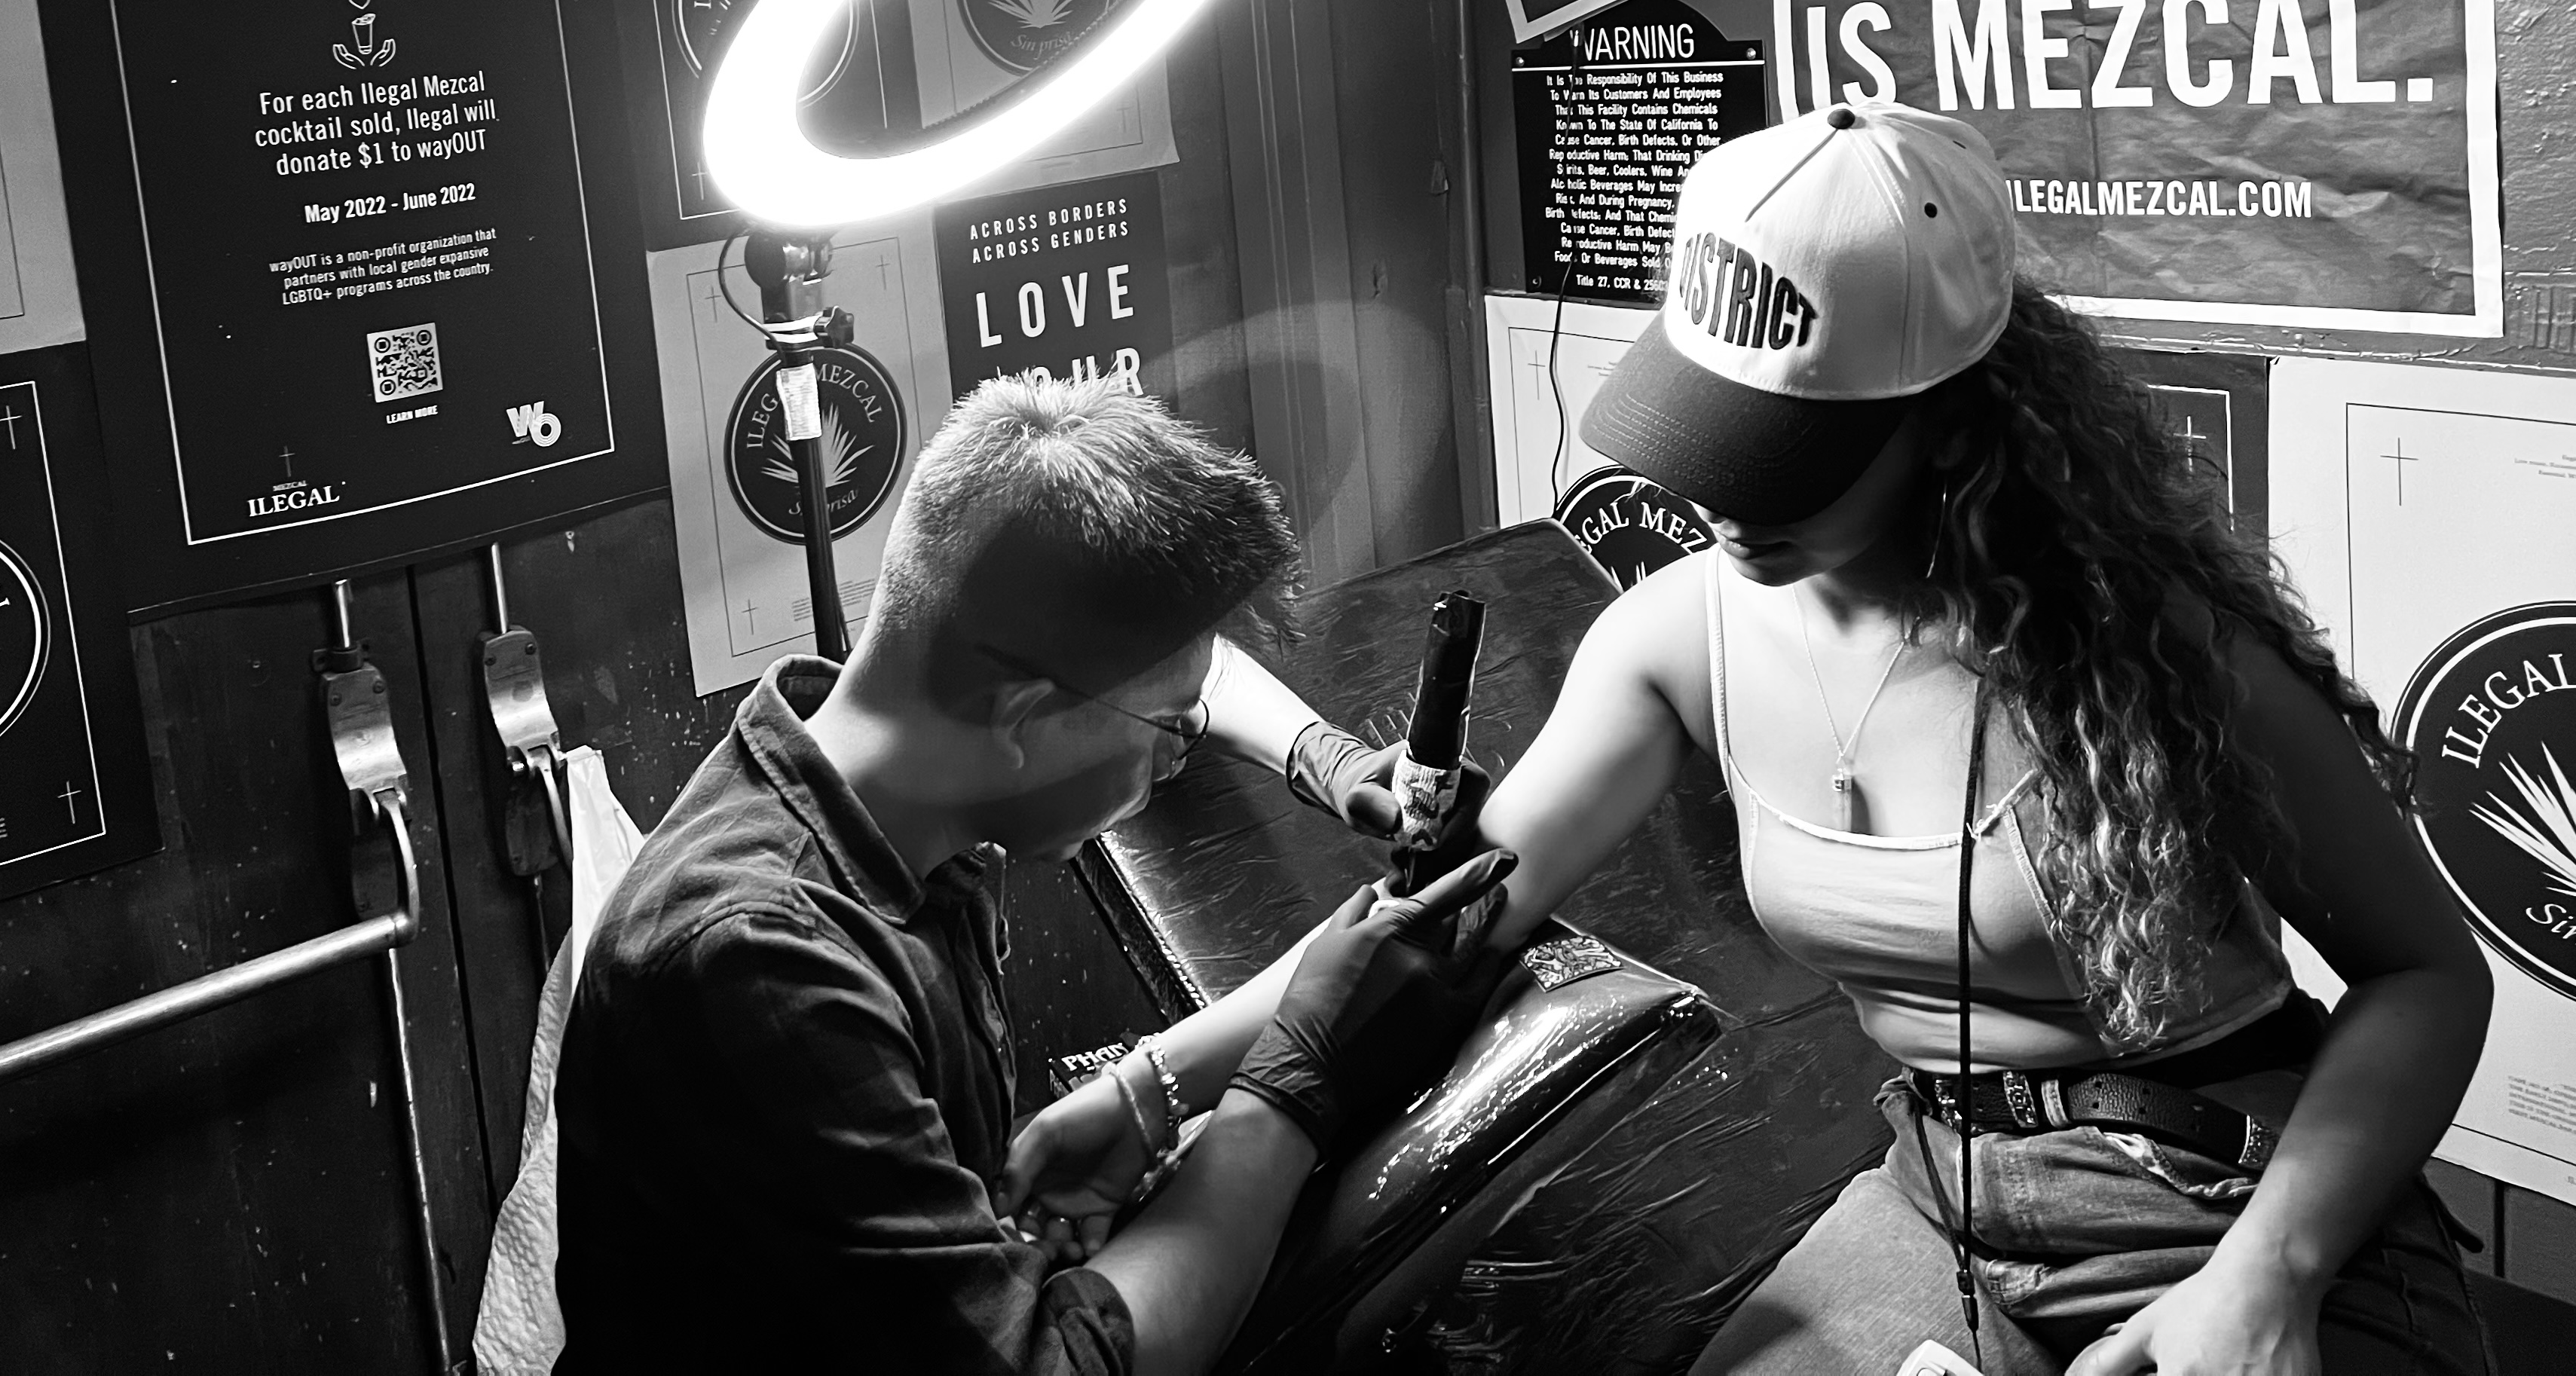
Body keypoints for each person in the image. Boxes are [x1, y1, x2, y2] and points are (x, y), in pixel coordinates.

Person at [1009, 102, 2494, 1376]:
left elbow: (2426, 976)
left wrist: (2271, 1279)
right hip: (1941, 1189)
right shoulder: (1677, 640)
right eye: (1707, 425)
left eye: (1786, 454)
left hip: (2220, 1194)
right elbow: (1434, 927)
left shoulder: (2143, 651)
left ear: (1951, 423)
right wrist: (1148, 1085)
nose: (1721, 496)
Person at [554, 374, 1510, 1374]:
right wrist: (1287, 1094)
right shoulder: (762, 965)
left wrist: (1321, 754)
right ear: (1020, 717)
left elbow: (1167, 667)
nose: (1177, 752)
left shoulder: (892, 809)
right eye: (1171, 730)